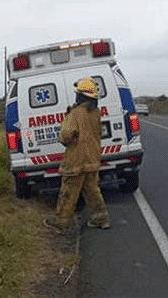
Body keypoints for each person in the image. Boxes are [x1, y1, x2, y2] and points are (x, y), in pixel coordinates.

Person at [45, 77, 110, 233]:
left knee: (68, 192)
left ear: (82, 96)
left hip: (76, 161)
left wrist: (68, 123)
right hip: (92, 159)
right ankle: (101, 218)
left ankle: (61, 222)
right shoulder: (95, 113)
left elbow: (66, 136)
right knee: (93, 190)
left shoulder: (75, 113)